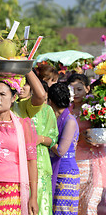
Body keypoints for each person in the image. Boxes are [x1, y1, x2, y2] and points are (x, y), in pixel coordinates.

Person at [0, 76, 39, 215]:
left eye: (2, 94)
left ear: (13, 98)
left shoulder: (23, 124)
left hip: (13, 191)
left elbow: (31, 162)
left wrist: (33, 197)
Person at [67, 74, 106, 214]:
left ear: (88, 89)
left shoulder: (96, 108)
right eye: (72, 90)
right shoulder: (65, 111)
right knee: (76, 206)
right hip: (73, 163)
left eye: (79, 89)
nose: (75, 93)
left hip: (94, 162)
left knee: (90, 203)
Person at [19, 79, 58, 215]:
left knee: (40, 208)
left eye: (25, 84)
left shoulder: (47, 110)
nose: (21, 88)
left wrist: (39, 139)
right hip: (18, 166)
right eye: (19, 83)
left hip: (41, 167)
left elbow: (53, 138)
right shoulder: (12, 107)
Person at [48, 83, 80, 214]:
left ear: (50, 101)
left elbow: (61, 151)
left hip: (66, 174)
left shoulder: (69, 120)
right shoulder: (55, 119)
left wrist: (45, 140)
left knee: (63, 211)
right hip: (56, 170)